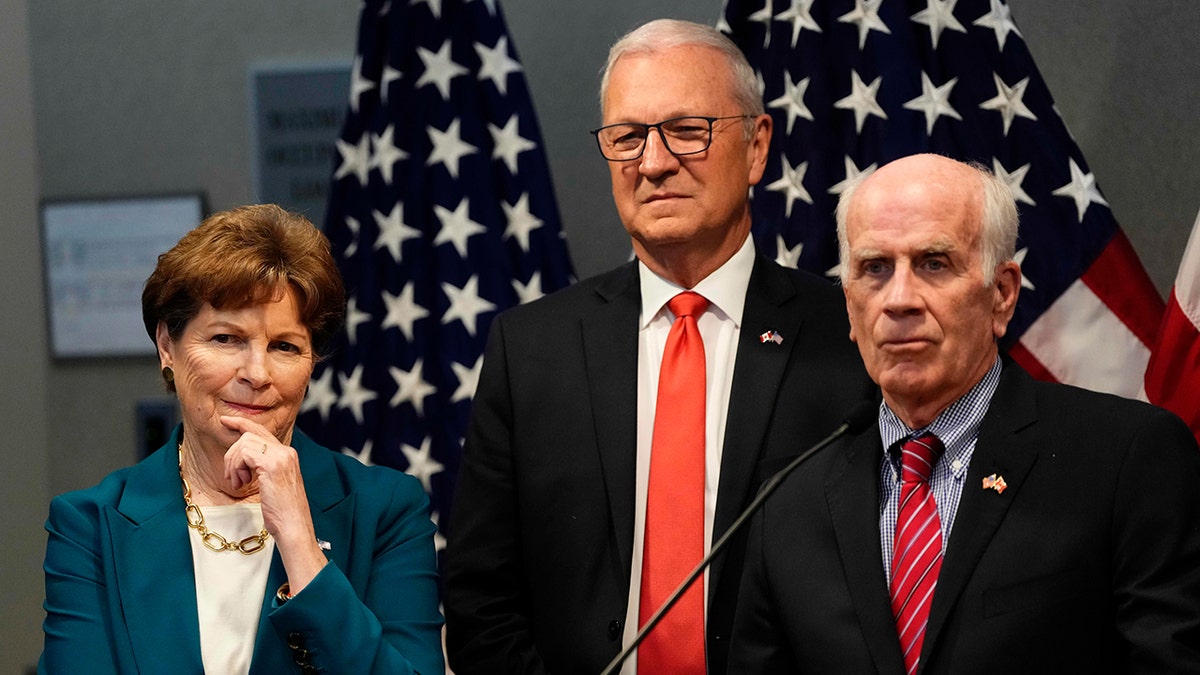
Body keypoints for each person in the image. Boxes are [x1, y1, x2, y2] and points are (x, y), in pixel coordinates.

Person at [444, 18, 874, 675]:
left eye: (686, 130)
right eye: (628, 137)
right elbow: (482, 596)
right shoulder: (530, 348)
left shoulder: (851, 337)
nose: (653, 162)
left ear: (757, 147)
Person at [728, 153, 1200, 673]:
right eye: (874, 269)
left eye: (933, 263)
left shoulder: (1126, 459)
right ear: (849, 307)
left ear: (1001, 294)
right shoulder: (787, 505)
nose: (899, 300)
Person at [39, 205, 444, 674]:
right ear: (167, 346)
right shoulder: (90, 525)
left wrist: (300, 543)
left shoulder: (385, 511)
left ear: (311, 362)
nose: (256, 374)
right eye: (227, 339)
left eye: (285, 347)